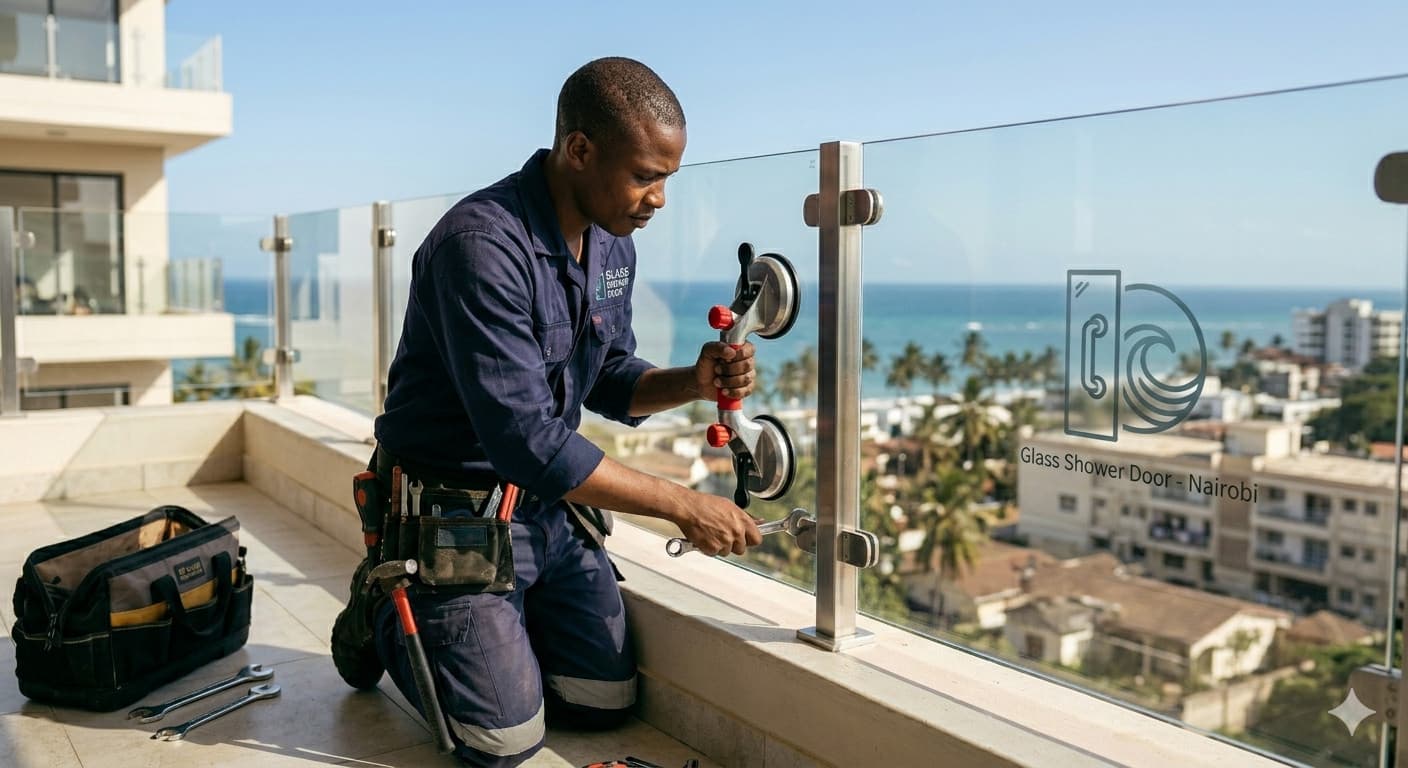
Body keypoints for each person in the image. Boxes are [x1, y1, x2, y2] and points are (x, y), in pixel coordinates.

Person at [331, 57, 763, 767]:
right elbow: (528, 441)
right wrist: (684, 505)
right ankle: (382, 606)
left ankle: (491, 623)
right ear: (580, 150)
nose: (658, 198)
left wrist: (693, 378)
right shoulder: (480, 248)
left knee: (602, 703)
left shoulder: (612, 241)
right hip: (455, 516)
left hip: (547, 513)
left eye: (667, 179)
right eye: (645, 175)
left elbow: (610, 380)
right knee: (501, 743)